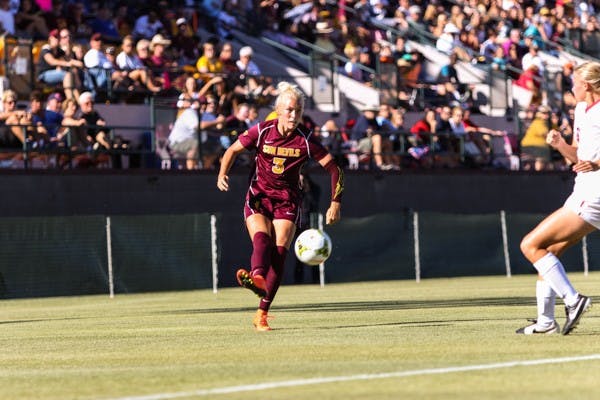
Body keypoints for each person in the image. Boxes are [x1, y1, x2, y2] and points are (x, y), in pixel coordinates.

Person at [216, 81, 343, 331]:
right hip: (259, 196)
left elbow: (334, 168)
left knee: (280, 253)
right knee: (261, 239)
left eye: (297, 110)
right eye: (288, 110)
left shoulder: (305, 140)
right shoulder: (262, 131)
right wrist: (222, 173)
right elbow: (231, 150)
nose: (293, 115)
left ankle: (262, 313)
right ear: (278, 109)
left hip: (287, 199)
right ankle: (257, 278)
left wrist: (335, 203)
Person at [516, 61, 599, 336]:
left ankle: (574, 300)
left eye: (574, 84)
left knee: (530, 245)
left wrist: (597, 165)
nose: (571, 88)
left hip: (594, 193)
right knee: (548, 254)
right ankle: (546, 322)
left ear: (586, 85)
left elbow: (593, 162)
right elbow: (578, 156)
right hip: (584, 189)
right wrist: (560, 145)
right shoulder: (580, 110)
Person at [168, 97, 200, 170]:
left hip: (182, 142)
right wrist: (217, 121)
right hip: (175, 143)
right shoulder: (190, 112)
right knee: (194, 143)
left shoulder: (194, 113)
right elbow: (197, 126)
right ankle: (190, 171)